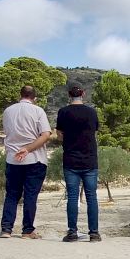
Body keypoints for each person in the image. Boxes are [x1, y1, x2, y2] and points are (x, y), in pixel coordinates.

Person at [0, 86, 51, 239]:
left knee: (11, 195)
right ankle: (27, 230)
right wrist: (28, 149)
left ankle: (6, 229)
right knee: (30, 195)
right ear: (35, 97)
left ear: (20, 95)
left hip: (13, 158)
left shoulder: (8, 111)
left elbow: (7, 132)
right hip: (34, 158)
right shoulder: (38, 111)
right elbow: (45, 135)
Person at [55, 86, 102, 242]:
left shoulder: (63, 112)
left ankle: (72, 232)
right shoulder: (91, 112)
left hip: (71, 159)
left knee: (72, 197)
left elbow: (59, 135)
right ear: (83, 94)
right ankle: (94, 233)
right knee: (91, 197)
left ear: (69, 95)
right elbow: (94, 132)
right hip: (90, 159)